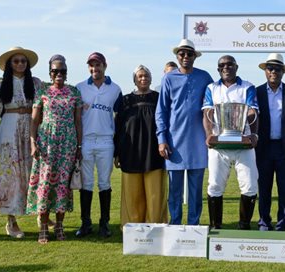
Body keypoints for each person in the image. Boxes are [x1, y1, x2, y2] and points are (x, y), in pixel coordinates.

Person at [156, 39, 213, 225]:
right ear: (177, 56)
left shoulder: (205, 77)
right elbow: (161, 111)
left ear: (195, 56)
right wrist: (162, 139)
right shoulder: (168, 78)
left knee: (196, 191)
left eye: (189, 53)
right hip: (174, 143)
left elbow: (214, 105)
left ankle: (194, 225)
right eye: (182, 53)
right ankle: (175, 224)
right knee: (175, 190)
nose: (186, 57)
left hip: (198, 142)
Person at [27, 54, 82, 244]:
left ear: (67, 73)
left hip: (68, 143)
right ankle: (43, 226)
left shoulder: (74, 92)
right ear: (50, 72)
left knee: (62, 186)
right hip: (46, 143)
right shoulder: (42, 91)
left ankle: (59, 226)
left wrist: (79, 146)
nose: (59, 74)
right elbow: (34, 120)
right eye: (55, 71)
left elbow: (78, 122)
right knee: (45, 184)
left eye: (62, 71)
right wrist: (33, 142)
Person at [0, 47, 41, 239]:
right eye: (16, 61)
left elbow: (42, 107)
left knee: (35, 170)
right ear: (10, 64)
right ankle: (11, 220)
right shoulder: (1, 84)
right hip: (9, 129)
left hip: (31, 128)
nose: (20, 64)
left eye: (23, 61)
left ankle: (41, 213)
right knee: (10, 173)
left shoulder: (35, 83)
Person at [203, 55, 259, 230]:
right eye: (221, 65)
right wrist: (209, 135)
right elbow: (207, 114)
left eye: (229, 65)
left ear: (236, 67)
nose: (225, 67)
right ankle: (215, 226)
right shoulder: (211, 88)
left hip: (244, 144)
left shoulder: (247, 87)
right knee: (214, 185)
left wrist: (253, 134)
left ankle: (244, 225)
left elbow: (252, 111)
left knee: (250, 185)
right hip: (219, 145)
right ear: (218, 69)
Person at [75, 52, 122, 238]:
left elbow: (119, 119)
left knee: (104, 183)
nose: (95, 68)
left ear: (105, 65)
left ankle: (104, 224)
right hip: (86, 140)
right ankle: (86, 223)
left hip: (105, 140)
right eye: (91, 65)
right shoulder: (79, 88)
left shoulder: (115, 89)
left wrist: (118, 146)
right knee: (86, 183)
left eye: (98, 65)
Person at [114, 65, 167, 227]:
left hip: (154, 153)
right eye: (140, 76)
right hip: (130, 153)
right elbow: (118, 126)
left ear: (151, 78)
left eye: (146, 76)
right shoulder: (125, 100)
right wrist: (116, 153)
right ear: (134, 79)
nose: (143, 78)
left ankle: (156, 227)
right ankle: (132, 229)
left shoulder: (159, 98)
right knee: (132, 195)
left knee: (155, 194)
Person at [254, 53, 285, 231]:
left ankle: (283, 223)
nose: (273, 72)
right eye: (270, 68)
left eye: (277, 69)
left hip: (284, 147)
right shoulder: (256, 92)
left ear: (282, 72)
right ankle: (264, 221)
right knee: (264, 189)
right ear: (265, 71)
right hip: (263, 148)